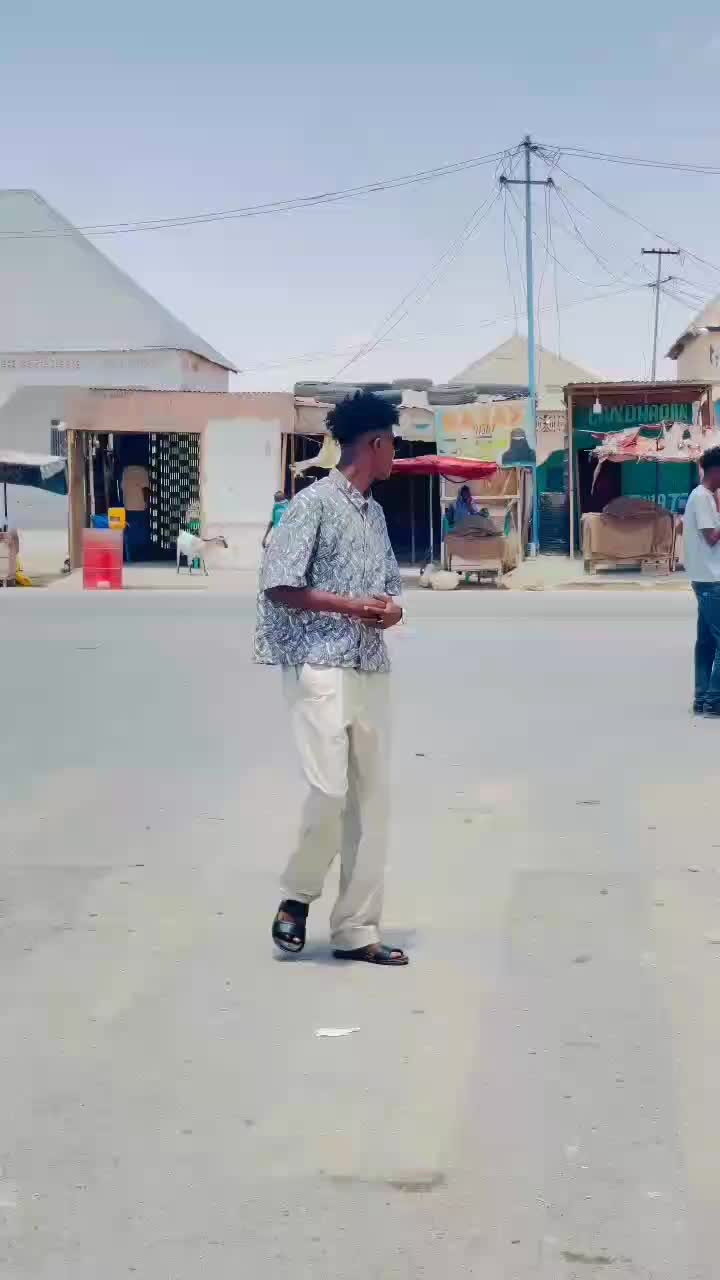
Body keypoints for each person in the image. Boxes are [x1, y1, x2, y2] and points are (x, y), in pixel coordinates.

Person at [254, 391, 407, 966]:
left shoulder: (375, 514)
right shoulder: (312, 503)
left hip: (369, 664)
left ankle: (356, 931)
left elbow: (388, 587)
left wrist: (390, 610)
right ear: (375, 443)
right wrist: (350, 606)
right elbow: (279, 583)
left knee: (371, 804)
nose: (396, 455)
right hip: (318, 661)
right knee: (329, 791)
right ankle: (298, 895)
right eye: (393, 444)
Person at [683, 446, 720, 715]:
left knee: (706, 642)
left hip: (706, 577)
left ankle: (702, 697)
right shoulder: (701, 497)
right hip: (711, 580)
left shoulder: (705, 496)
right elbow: (711, 537)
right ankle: (714, 700)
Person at [121, 462, 150, 562]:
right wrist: (147, 503)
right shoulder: (143, 471)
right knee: (141, 533)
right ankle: (141, 556)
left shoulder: (125, 471)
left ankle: (130, 556)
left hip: (127, 507)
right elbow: (145, 490)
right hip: (140, 508)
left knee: (130, 533)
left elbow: (122, 489)